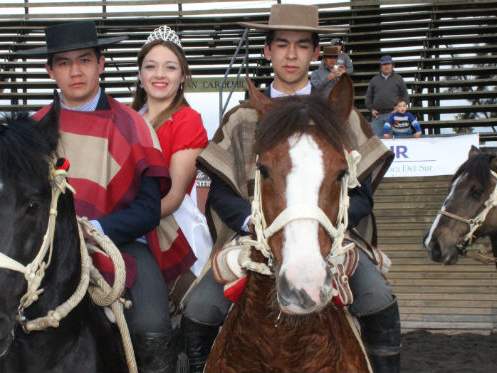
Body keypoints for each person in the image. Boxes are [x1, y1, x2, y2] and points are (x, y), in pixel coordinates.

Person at [182, 4, 401, 373]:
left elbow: (362, 193)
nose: (291, 54)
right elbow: (219, 192)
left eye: (302, 45)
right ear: (268, 51)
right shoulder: (241, 118)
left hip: (333, 236)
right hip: (252, 238)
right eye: (282, 44)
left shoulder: (341, 115)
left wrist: (329, 227)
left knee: (378, 298)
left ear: (316, 53)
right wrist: (252, 224)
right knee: (199, 308)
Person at [19, 21, 195, 373]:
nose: (75, 71)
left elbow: (147, 210)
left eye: (84, 60)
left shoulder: (131, 124)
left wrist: (95, 228)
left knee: (151, 326)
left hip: (120, 244)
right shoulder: (33, 130)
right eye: (64, 63)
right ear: (50, 70)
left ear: (100, 64)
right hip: (48, 251)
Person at [130, 25, 212, 278]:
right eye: (151, 66)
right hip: (124, 225)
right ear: (141, 74)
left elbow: (174, 195)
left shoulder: (188, 120)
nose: (160, 74)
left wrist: (122, 225)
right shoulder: (126, 118)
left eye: (170, 67)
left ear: (183, 76)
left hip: (169, 229)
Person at [365, 55, 409, 137]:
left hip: (394, 115)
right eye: (384, 64)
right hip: (377, 116)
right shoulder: (374, 80)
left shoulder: (399, 79)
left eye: (388, 64)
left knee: (395, 142)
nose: (386, 66)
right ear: (381, 67)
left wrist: (398, 108)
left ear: (392, 65)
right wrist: (371, 109)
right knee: (377, 142)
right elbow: (368, 98)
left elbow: (405, 96)